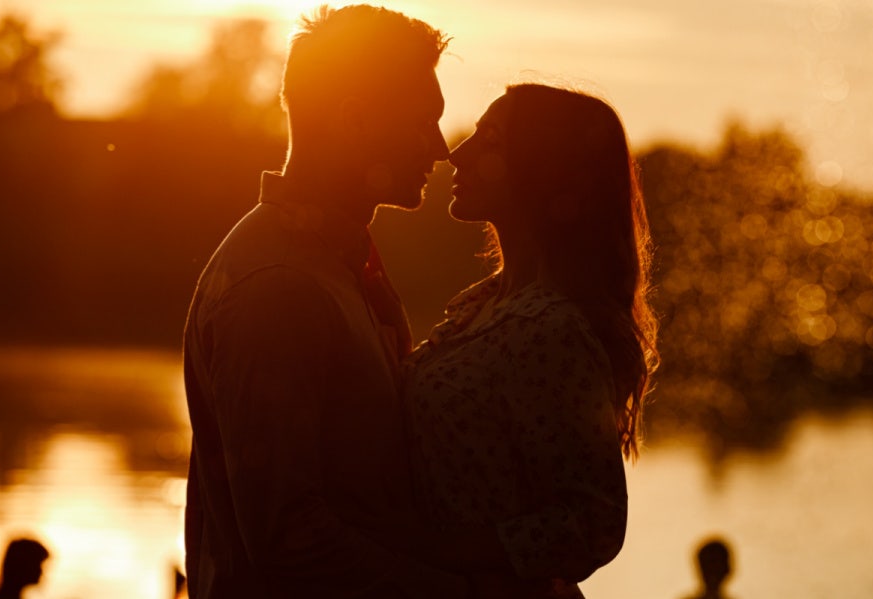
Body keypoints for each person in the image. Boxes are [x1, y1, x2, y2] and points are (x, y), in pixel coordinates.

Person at [182, 5, 461, 598]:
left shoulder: (334, 261)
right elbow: (289, 541)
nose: (440, 148)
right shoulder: (279, 286)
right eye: (421, 121)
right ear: (354, 119)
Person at [401, 83, 659, 597]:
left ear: (542, 167)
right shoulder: (482, 305)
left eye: (489, 139)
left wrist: (438, 550)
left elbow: (595, 523)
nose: (458, 153)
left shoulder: (551, 329)